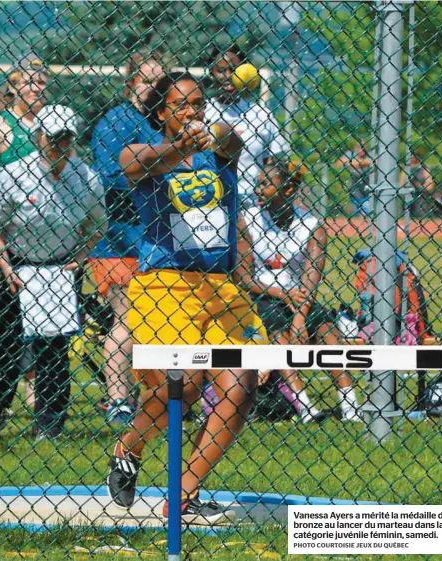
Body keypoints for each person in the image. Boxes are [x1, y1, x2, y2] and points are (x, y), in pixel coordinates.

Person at [108, 72, 268, 524]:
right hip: (165, 284)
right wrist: (181, 147)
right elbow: (138, 165)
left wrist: (208, 132)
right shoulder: (141, 149)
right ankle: (129, 448)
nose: (192, 111)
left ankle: (183, 493)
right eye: (180, 105)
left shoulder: (218, 146)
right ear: (161, 112)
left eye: (198, 103)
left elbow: (231, 139)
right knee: (183, 384)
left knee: (240, 385)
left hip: (220, 286)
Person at [0, 105, 106, 439]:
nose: (59, 144)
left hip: (57, 268)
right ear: (38, 136)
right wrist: (4, 264)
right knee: (2, 343)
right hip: (13, 265)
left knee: (54, 347)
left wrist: (80, 257)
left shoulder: (85, 177)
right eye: (53, 137)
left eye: (66, 138)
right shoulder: (15, 173)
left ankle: (49, 425)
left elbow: (97, 224)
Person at [241, 155, 360, 422]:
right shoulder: (247, 219)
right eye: (258, 184)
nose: (258, 190)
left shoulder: (312, 226)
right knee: (276, 330)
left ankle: (350, 405)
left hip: (299, 300)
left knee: (328, 329)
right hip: (261, 296)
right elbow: (242, 277)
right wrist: (282, 295)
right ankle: (305, 407)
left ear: (289, 190)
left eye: (266, 184)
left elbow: (310, 280)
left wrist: (300, 317)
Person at [89, 50, 164, 426]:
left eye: (159, 81)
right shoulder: (117, 121)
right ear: (130, 82)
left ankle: (155, 396)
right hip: (121, 238)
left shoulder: (159, 122)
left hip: (158, 240)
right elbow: (108, 176)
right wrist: (153, 173)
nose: (154, 87)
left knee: (157, 321)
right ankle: (119, 399)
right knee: (127, 319)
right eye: (147, 79)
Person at [0, 55, 48, 260]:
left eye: (41, 82)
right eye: (28, 82)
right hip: (5, 239)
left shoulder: (54, 125)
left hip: (50, 239)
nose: (36, 88)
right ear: (12, 87)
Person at [205, 44, 290, 209]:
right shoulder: (203, 112)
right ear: (211, 74)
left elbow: (274, 163)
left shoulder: (261, 114)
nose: (228, 76)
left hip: (253, 205)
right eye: (221, 70)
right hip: (211, 202)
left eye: (234, 69)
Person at [335, 140, 372, 217]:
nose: (361, 149)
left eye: (363, 147)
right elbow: (339, 163)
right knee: (355, 215)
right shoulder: (350, 154)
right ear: (355, 148)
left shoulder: (370, 155)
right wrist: (360, 163)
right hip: (353, 190)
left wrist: (352, 163)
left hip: (367, 190)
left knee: (366, 212)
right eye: (359, 147)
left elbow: (369, 162)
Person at [399, 151, 434, 218]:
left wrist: (420, 187)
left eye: (413, 157)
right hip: (408, 196)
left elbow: (430, 185)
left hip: (421, 197)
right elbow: (401, 184)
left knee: (421, 215)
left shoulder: (423, 169)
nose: (411, 159)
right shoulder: (406, 169)